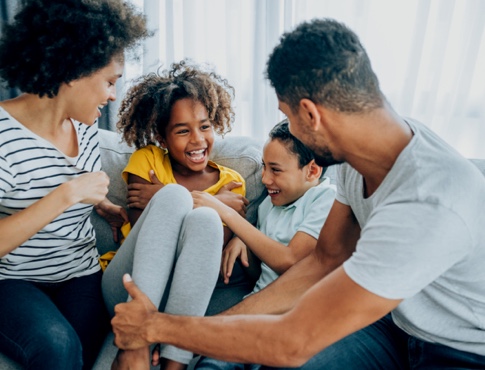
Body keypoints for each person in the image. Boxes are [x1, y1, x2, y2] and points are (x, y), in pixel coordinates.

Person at [110, 18, 485, 369]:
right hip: (394, 325)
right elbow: (322, 261)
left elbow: (293, 341)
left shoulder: (430, 200)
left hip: (458, 349)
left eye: (287, 116)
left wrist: (156, 328)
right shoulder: (360, 160)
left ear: (310, 114)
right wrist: (206, 330)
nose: (288, 128)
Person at [0, 1, 147, 369]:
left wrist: (105, 208)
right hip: (12, 282)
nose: (113, 95)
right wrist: (68, 194)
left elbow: (54, 181)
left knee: (92, 351)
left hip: (79, 273)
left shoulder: (85, 128)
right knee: (57, 346)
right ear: (74, 70)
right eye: (109, 81)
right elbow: (65, 189)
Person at [101, 60, 247, 370]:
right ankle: (136, 342)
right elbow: (149, 235)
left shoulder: (232, 182)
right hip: (128, 286)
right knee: (181, 199)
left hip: (183, 297)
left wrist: (191, 201)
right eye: (183, 131)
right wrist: (212, 202)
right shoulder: (149, 159)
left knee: (206, 219)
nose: (197, 140)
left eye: (205, 126)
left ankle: (174, 362)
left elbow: (209, 251)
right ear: (163, 137)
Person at [192, 119, 336, 368]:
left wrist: (230, 218)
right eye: (263, 167)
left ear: (312, 171)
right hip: (256, 309)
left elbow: (290, 263)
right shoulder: (270, 204)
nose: (265, 178)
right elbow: (260, 272)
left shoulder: (325, 199)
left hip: (294, 320)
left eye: (276, 170)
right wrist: (243, 244)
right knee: (212, 363)